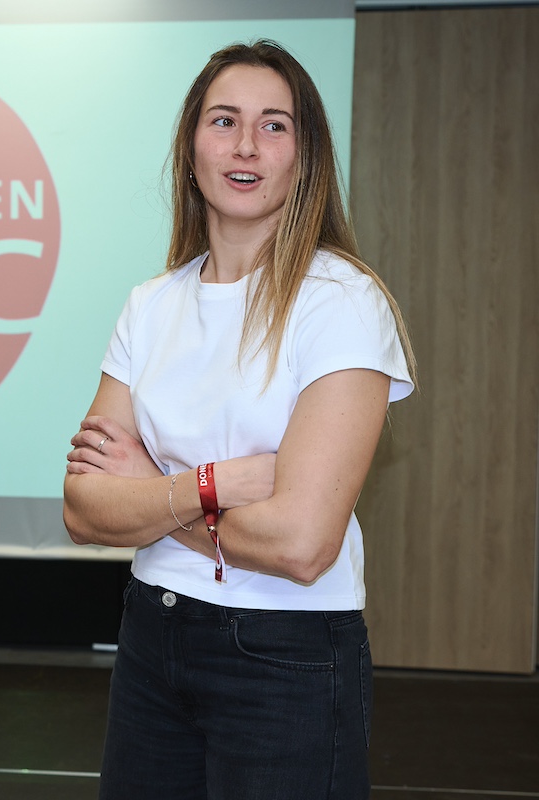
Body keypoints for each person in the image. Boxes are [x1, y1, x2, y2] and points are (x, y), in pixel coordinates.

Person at [63, 40, 414, 799]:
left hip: (287, 653)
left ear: (305, 155)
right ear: (191, 145)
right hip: (153, 633)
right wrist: (218, 484)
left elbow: (302, 544)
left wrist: (154, 492)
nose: (247, 145)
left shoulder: (342, 303)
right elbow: (84, 509)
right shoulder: (150, 304)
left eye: (275, 125)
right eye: (224, 120)